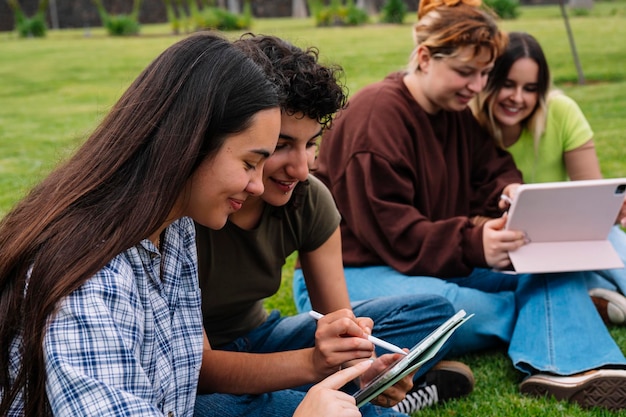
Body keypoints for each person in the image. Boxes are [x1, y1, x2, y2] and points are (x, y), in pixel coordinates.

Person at [0, 32, 373, 417]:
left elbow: (176, 392)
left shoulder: (174, 231)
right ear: (191, 143)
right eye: (249, 163)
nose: (258, 184)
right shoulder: (91, 278)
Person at [292, 0, 626, 411]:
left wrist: (511, 195)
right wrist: (473, 241)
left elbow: (495, 170)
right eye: (466, 72)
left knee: (544, 264)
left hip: (430, 261)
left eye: (484, 74)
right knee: (451, 308)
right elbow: (396, 234)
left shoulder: (457, 115)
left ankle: (570, 365)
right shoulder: (377, 116)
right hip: (351, 277)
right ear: (425, 57)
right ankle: (562, 313)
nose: (476, 86)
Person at [193, 34, 475, 417]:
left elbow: (341, 323)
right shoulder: (195, 207)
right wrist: (313, 365)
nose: (302, 166)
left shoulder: (308, 197)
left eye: (311, 143)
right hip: (196, 368)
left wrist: (362, 369)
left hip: (263, 338)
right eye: (281, 144)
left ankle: (324, 399)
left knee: (430, 311)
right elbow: (198, 369)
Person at [470, 31, 626, 325]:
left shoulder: (561, 111)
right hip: (506, 250)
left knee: (612, 240)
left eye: (530, 88)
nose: (518, 98)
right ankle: (594, 295)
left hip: (568, 234)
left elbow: (593, 196)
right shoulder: (466, 125)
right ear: (488, 80)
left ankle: (598, 293)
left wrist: (614, 209)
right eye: (507, 85)